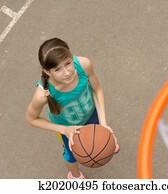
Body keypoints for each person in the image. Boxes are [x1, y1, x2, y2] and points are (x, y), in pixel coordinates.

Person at [26, 38, 119, 179]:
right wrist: (63, 130)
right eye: (57, 69)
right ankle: (75, 176)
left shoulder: (84, 64)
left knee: (100, 141)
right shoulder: (42, 94)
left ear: (71, 55)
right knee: (71, 156)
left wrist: (104, 124)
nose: (67, 72)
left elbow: (97, 89)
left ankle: (105, 145)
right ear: (48, 72)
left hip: (91, 113)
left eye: (68, 63)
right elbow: (31, 119)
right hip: (68, 128)